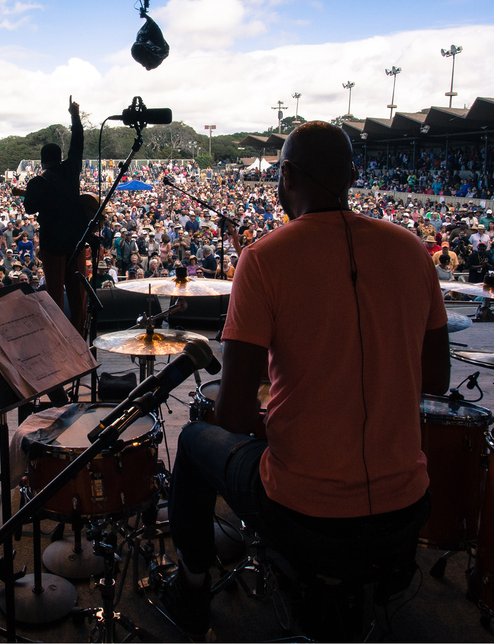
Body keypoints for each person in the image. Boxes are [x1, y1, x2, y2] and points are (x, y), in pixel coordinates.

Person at [160, 121, 450, 640]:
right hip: (407, 505)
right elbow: (436, 377)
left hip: (305, 511)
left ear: (287, 175)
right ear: (352, 176)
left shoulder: (265, 258)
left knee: (194, 437)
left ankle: (193, 585)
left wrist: (281, 424)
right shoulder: (412, 251)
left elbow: (232, 415)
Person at [22, 97, 89, 333]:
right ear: (59, 156)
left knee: (54, 295)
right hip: (76, 241)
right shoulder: (71, 169)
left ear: (42, 160)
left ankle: (57, 336)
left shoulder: (37, 182)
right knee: (78, 294)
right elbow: (78, 144)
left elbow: (30, 208)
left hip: (52, 244)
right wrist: (75, 116)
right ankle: (80, 336)